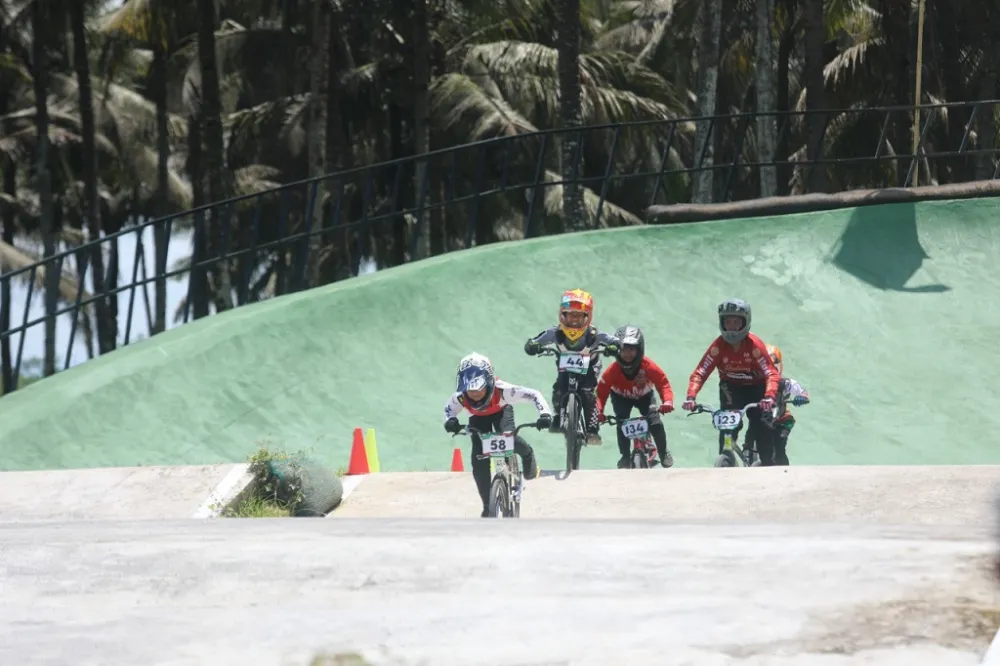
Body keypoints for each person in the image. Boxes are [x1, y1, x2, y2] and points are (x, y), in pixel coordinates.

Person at [443, 352, 552, 517]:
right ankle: (487, 506)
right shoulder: (460, 397)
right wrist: (450, 421)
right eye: (470, 391)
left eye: (479, 389)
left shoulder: (503, 390)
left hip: (501, 412)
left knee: (507, 437)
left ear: (489, 382)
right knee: (478, 461)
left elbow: (534, 394)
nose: (475, 394)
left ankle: (527, 453)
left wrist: (545, 414)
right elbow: (449, 409)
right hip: (478, 420)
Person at [681, 298, 780, 464]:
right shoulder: (718, 346)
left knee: (763, 425)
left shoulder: (755, 346)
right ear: (722, 323)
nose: (732, 327)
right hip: (731, 388)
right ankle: (726, 456)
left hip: (758, 389)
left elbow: (771, 373)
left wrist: (769, 396)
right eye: (728, 322)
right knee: (727, 427)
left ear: (745, 323)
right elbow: (700, 372)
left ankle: (768, 465)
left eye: (736, 322)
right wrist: (691, 396)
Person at [523, 289, 620, 446]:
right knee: (559, 390)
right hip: (565, 369)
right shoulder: (555, 332)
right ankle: (558, 416)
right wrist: (533, 346)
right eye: (570, 314)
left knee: (588, 393)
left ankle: (592, 429)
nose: (574, 319)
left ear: (587, 317)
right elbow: (536, 341)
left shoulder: (594, 333)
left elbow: (612, 341)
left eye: (579, 315)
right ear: (563, 315)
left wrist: (614, 347)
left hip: (590, 367)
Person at [596, 325, 676, 468]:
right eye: (623, 349)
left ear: (639, 349)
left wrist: (667, 401)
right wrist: (599, 412)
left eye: (631, 349)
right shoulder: (612, 371)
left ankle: (664, 453)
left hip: (645, 397)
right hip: (620, 398)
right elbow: (601, 393)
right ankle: (625, 456)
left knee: (655, 423)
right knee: (622, 422)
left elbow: (663, 383)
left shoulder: (649, 366)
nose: (627, 353)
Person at [743, 343, 810, 466]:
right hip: (762, 419)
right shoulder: (752, 383)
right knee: (750, 437)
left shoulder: (785, 383)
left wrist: (802, 398)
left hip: (782, 420)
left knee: (779, 448)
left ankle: (784, 473)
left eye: (772, 365)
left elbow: (803, 392)